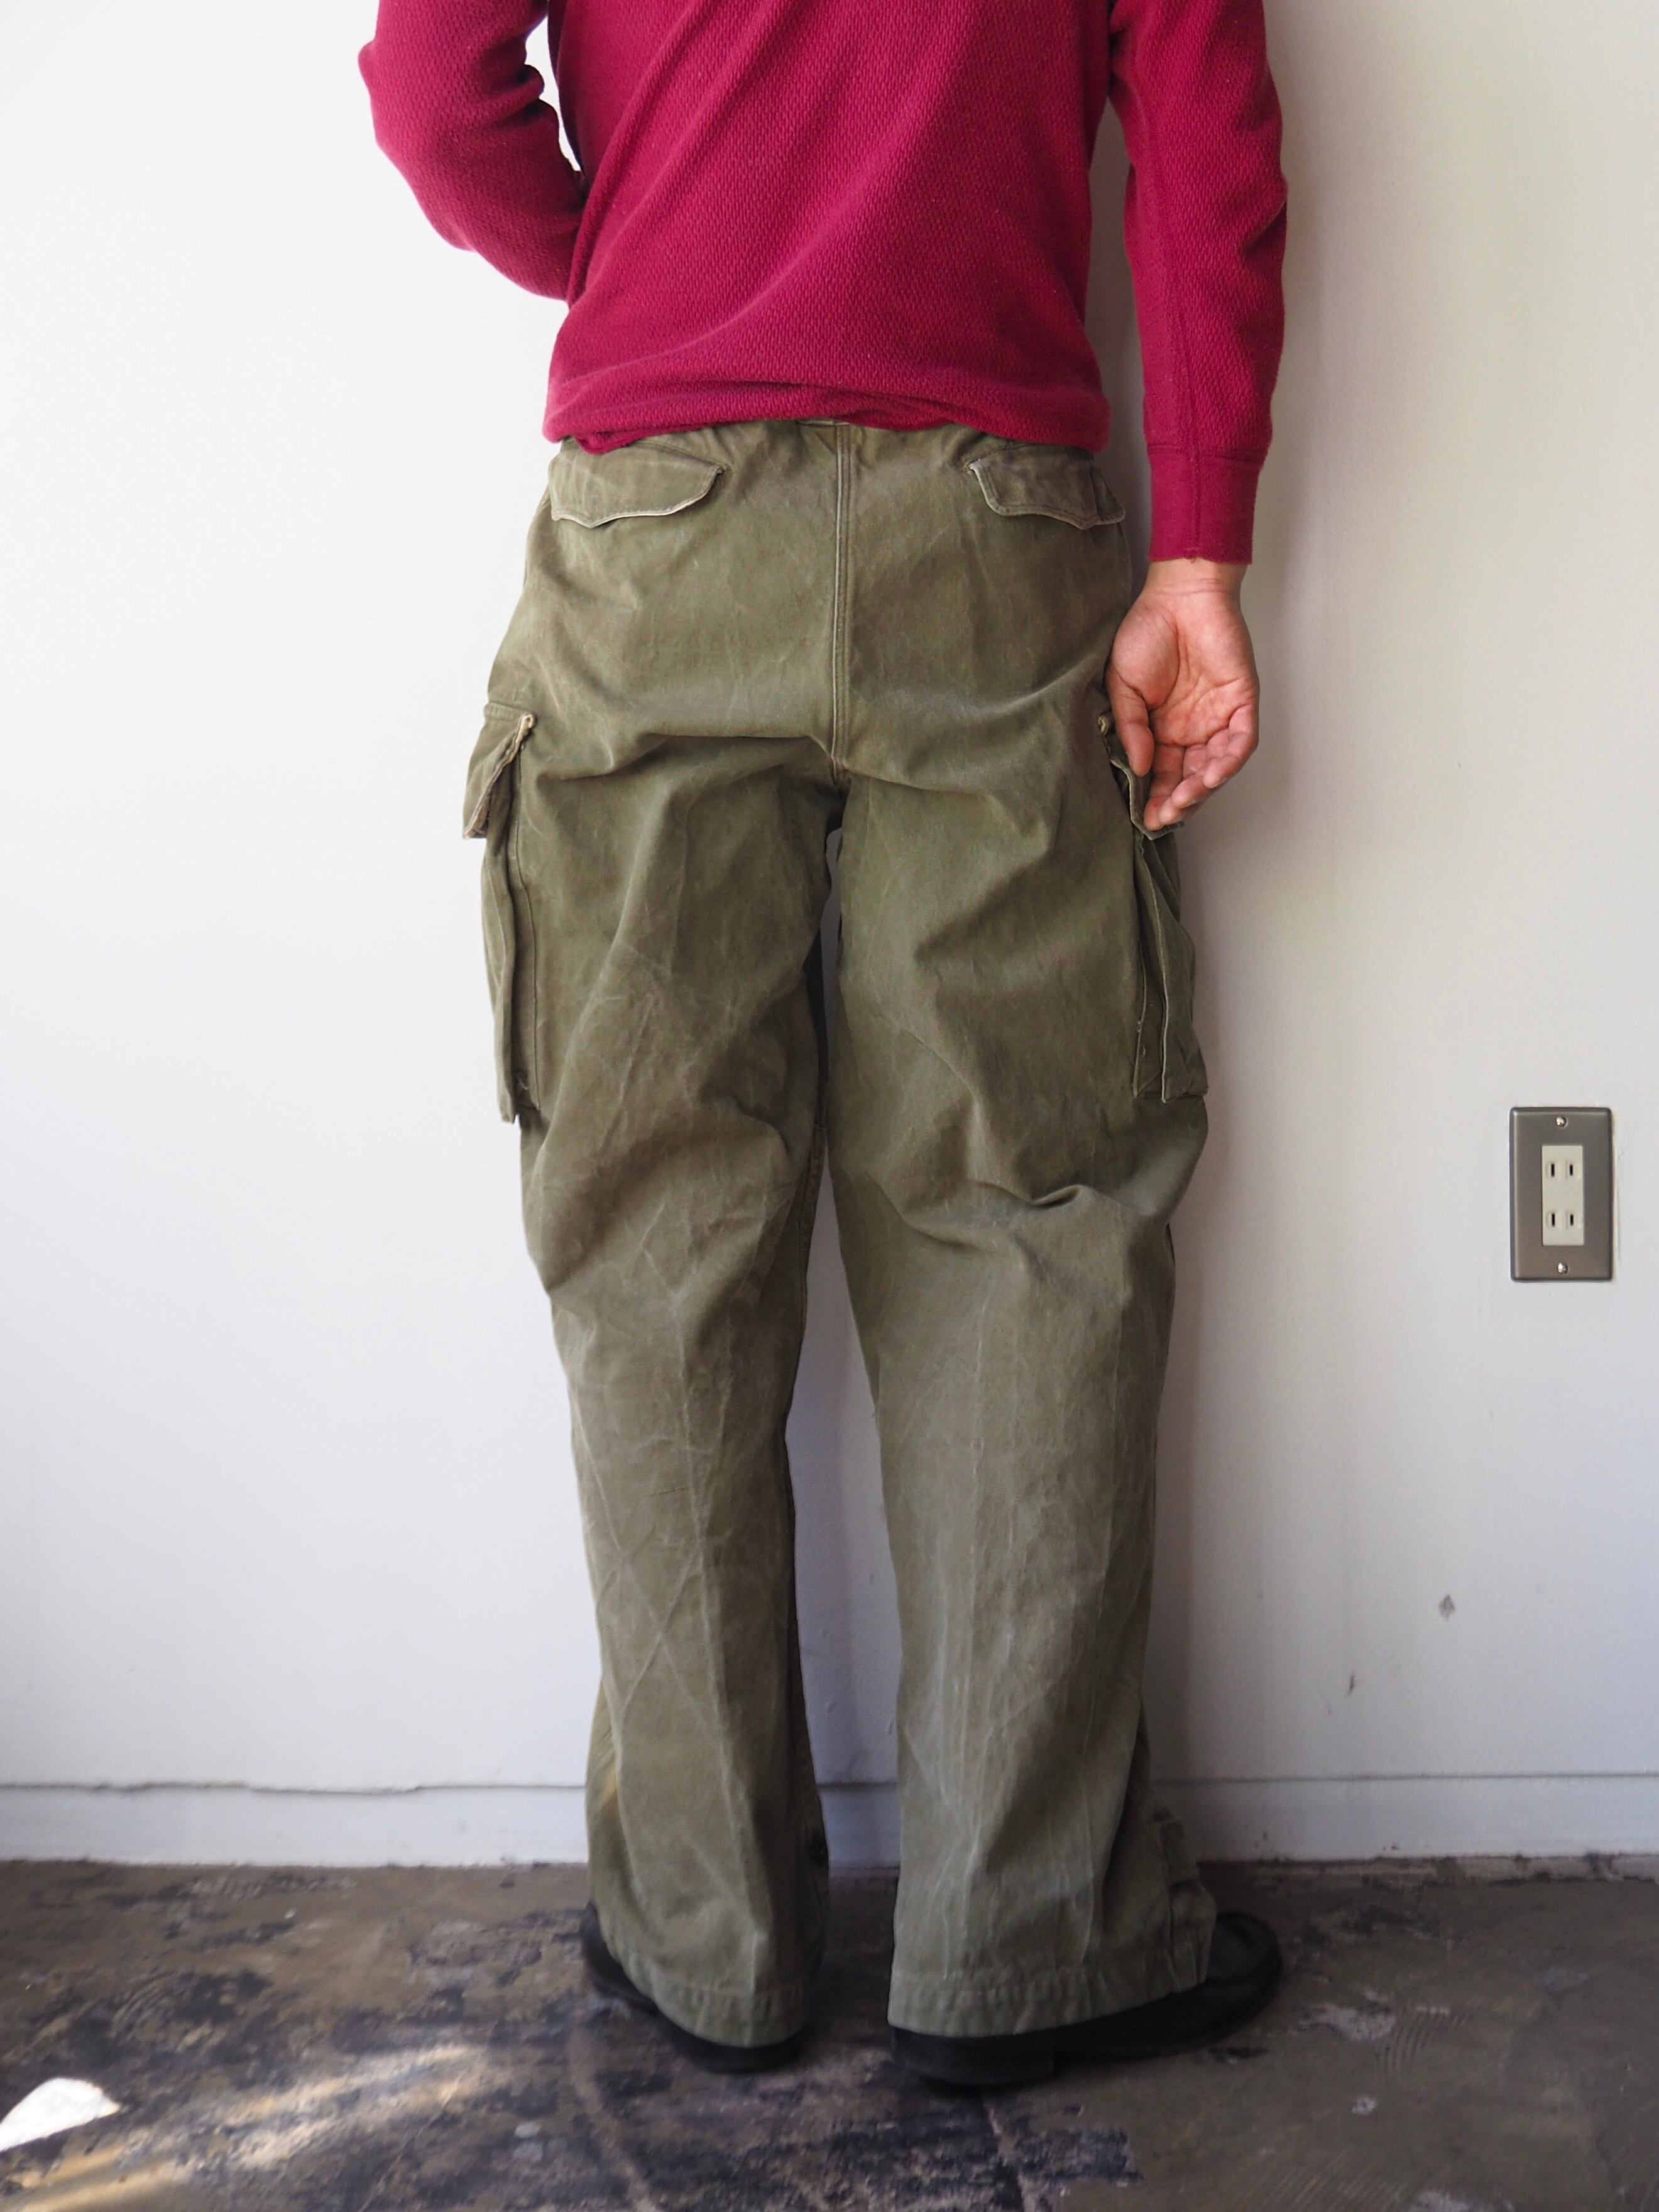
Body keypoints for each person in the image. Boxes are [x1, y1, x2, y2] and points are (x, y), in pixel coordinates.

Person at [361, 0, 1288, 2089]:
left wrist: (640, 262)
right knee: (1026, 1221)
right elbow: (1208, 132)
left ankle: (709, 1934)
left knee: (653, 1242)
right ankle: (1034, 1940)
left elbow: (431, 86)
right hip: (996, 539)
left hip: (655, 543)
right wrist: (1204, 548)